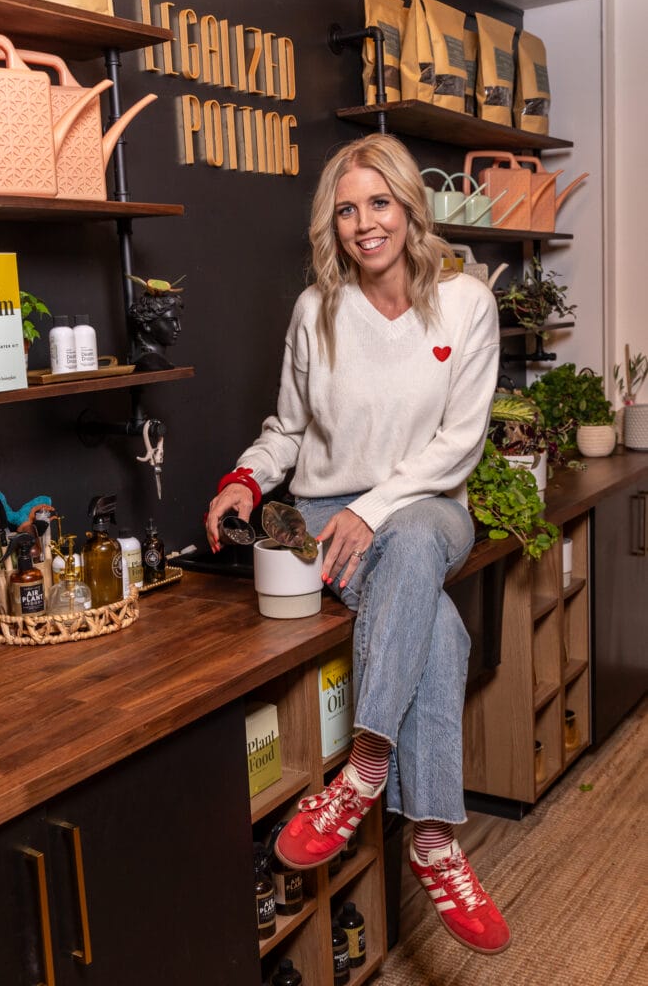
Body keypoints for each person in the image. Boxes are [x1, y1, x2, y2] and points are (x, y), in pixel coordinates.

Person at [205, 133, 509, 955]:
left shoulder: (465, 301)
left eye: (379, 203)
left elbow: (458, 443)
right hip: (324, 510)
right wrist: (244, 476)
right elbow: (289, 430)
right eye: (346, 209)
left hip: (429, 501)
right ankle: (436, 841)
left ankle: (364, 766)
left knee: (412, 544)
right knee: (436, 630)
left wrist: (372, 509)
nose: (363, 224)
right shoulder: (317, 311)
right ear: (329, 224)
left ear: (410, 206)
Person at [130, 292, 183, 371]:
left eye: (178, 321)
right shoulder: (149, 360)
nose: (178, 328)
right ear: (146, 325)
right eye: (171, 320)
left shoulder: (156, 358)